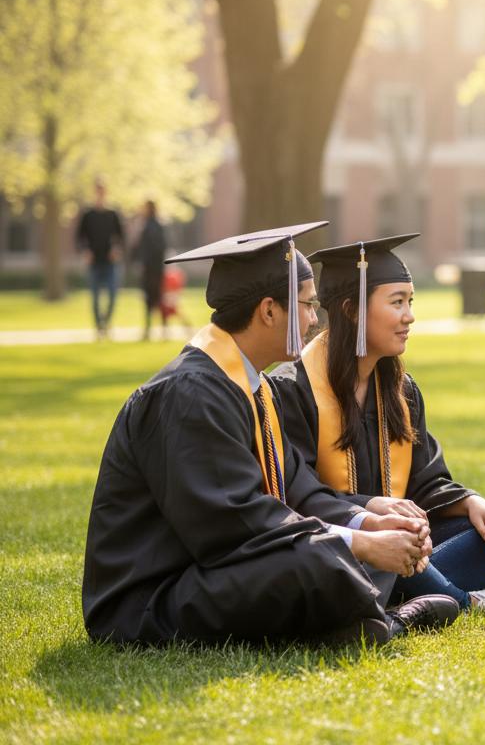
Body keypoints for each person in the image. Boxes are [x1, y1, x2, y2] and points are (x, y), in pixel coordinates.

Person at [82, 221, 461, 646]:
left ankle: (364, 618)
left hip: (212, 571)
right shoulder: (189, 395)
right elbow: (235, 522)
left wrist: (369, 521)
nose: (316, 319)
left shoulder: (251, 387)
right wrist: (361, 545)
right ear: (268, 310)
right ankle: (391, 622)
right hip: (151, 597)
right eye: (308, 305)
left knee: (330, 555)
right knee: (319, 562)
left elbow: (299, 490)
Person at [273, 234, 485, 613]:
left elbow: (425, 480)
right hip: (338, 540)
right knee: (385, 545)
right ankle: (463, 601)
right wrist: (372, 509)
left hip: (396, 541)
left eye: (411, 302)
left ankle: (399, 589)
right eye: (397, 302)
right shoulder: (293, 389)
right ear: (352, 310)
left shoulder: (401, 389)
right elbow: (297, 496)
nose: (410, 316)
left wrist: (472, 502)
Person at [75, 180, 125, 339]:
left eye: (102, 190)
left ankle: (106, 323)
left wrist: (117, 250)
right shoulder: (88, 214)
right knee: (95, 297)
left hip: (110, 262)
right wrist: (85, 251)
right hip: (94, 262)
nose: (100, 193)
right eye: (97, 190)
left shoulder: (112, 214)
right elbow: (79, 237)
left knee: (112, 294)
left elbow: (121, 237)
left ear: (106, 192)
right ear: (94, 192)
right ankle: (99, 327)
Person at [132, 200, 167, 341]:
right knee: (156, 298)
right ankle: (158, 329)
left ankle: (152, 330)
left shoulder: (150, 226)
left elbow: (147, 248)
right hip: (156, 268)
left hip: (152, 269)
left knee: (152, 298)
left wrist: (142, 263)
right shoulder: (154, 225)